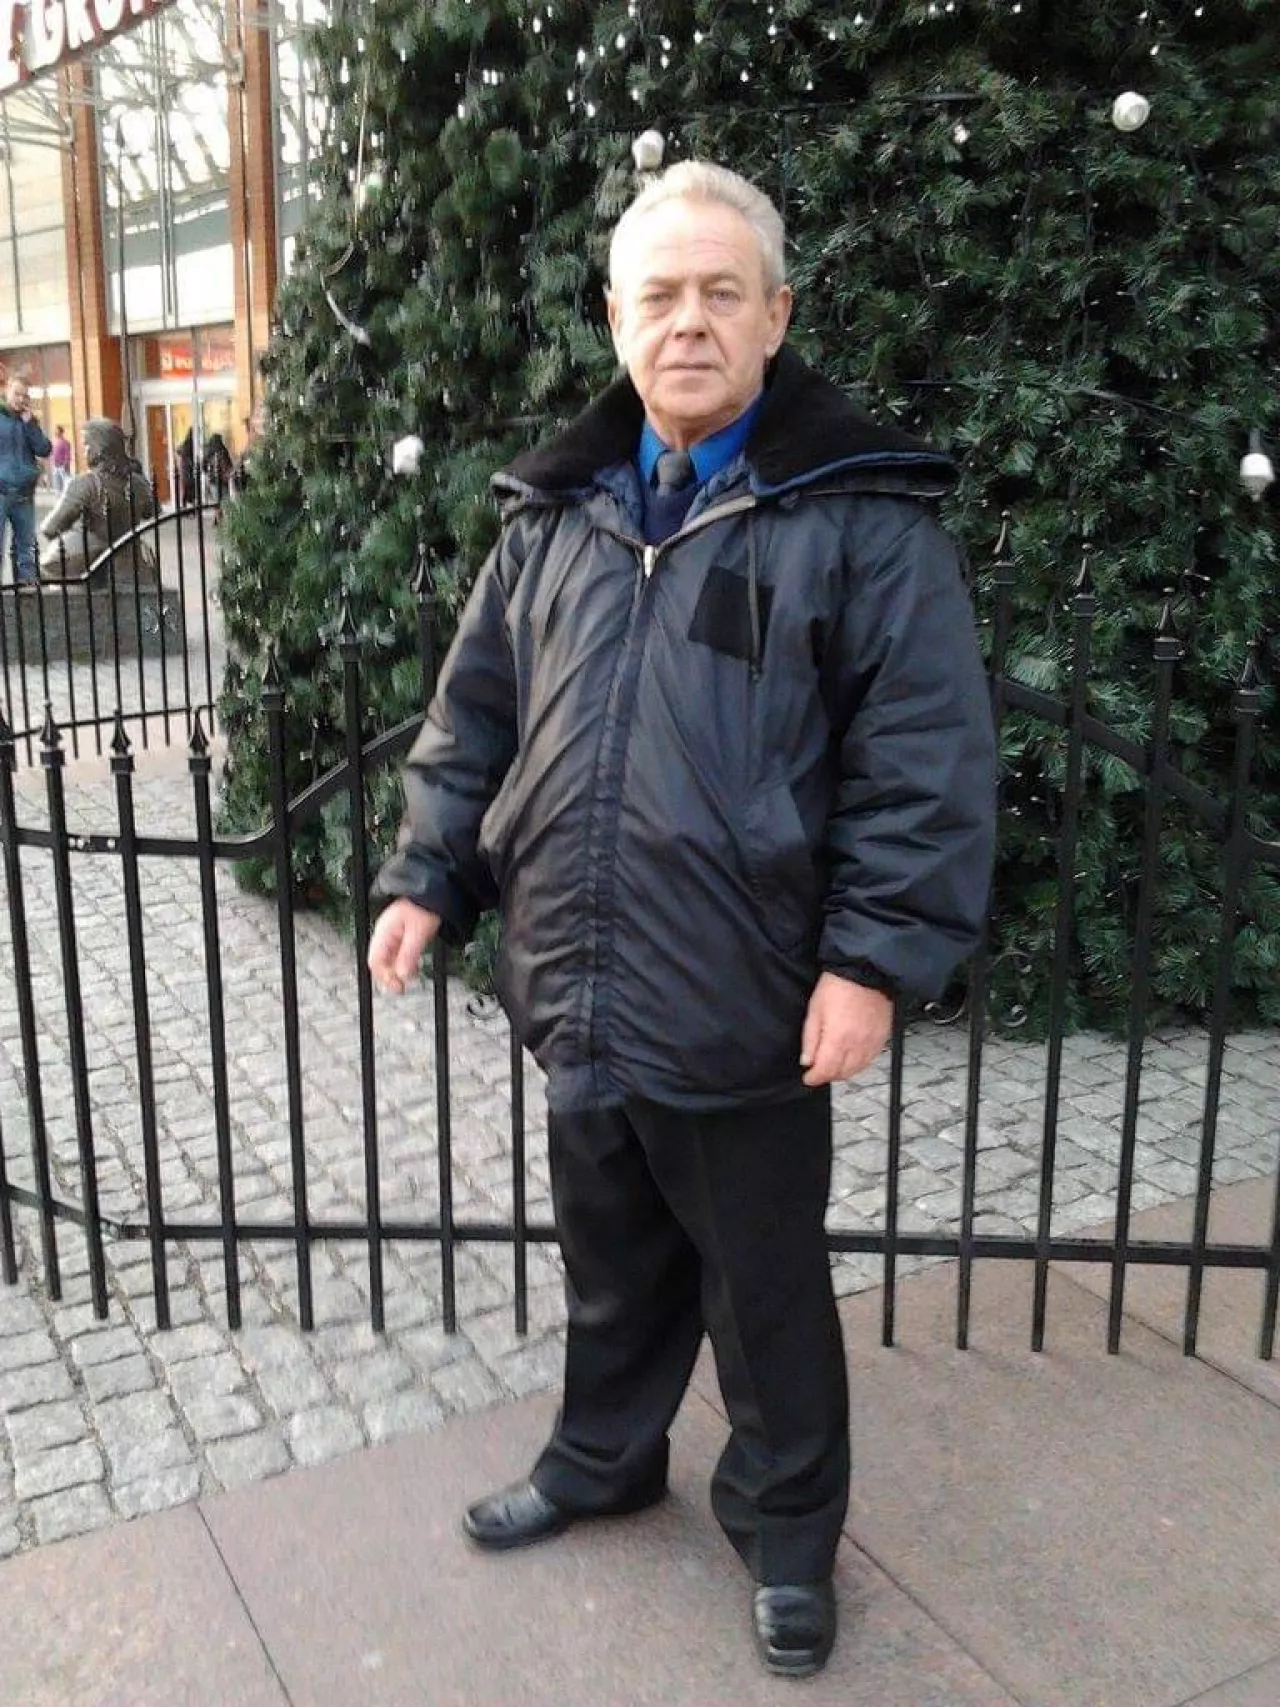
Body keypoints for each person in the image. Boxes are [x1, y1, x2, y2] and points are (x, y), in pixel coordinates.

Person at [367, 161, 997, 1680]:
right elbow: (477, 712)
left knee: (761, 1287)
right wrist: (426, 874)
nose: (690, 322)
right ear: (615, 319)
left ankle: (787, 1535)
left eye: (723, 293)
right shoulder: (556, 514)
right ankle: (605, 1457)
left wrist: (869, 961)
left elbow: (923, 756)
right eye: (660, 295)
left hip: (747, 989)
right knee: (614, 1259)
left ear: (777, 315)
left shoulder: (861, 518)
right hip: (576, 972)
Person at [38, 417, 156, 582]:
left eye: (86, 445)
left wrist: (76, 531)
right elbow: (151, 512)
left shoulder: (85, 483)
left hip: (93, 567)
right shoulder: (139, 482)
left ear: (99, 448)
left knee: (47, 567)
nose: (83, 451)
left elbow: (50, 528)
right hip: (133, 566)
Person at [0, 374, 52, 587]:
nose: (20, 399)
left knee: (26, 545)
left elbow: (44, 449)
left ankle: (27, 586)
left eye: (25, 395)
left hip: (24, 493)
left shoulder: (29, 421)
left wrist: (31, 425)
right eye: (17, 394)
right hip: (1, 491)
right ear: (7, 392)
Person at [49, 424, 72, 494]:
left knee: (66, 484)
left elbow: (67, 455)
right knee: (57, 485)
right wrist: (52, 461)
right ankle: (58, 497)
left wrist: (65, 464)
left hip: (62, 466)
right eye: (55, 431)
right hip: (55, 466)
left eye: (57, 431)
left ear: (61, 432)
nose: (55, 433)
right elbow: (52, 453)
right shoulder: (54, 442)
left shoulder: (65, 442)